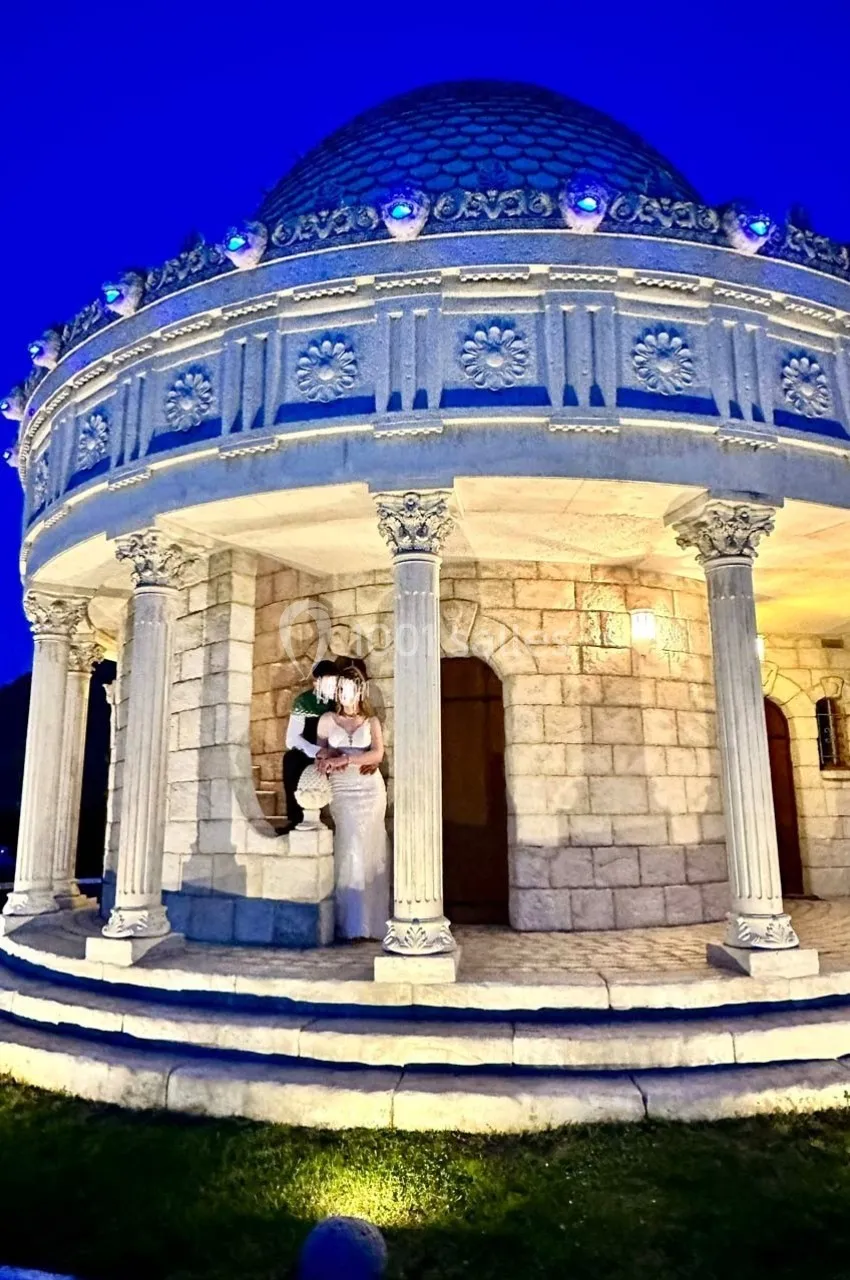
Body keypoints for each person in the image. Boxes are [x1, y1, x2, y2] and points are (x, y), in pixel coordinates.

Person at [316, 665, 390, 940]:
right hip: (342, 789)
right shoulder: (327, 720)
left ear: (360, 691)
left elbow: (377, 754)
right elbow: (321, 750)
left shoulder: (371, 722)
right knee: (350, 844)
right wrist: (325, 758)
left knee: (370, 846)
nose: (343, 694)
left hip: (369, 789)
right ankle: (351, 924)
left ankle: (372, 922)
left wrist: (348, 759)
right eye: (340, 689)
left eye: (348, 688)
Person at [281, 660, 339, 831]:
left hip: (336, 751)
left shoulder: (340, 702)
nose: (333, 687)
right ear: (316, 682)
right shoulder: (303, 702)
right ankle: (296, 819)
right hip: (309, 751)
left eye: (335, 682)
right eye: (328, 682)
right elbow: (292, 739)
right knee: (291, 760)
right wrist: (317, 751)